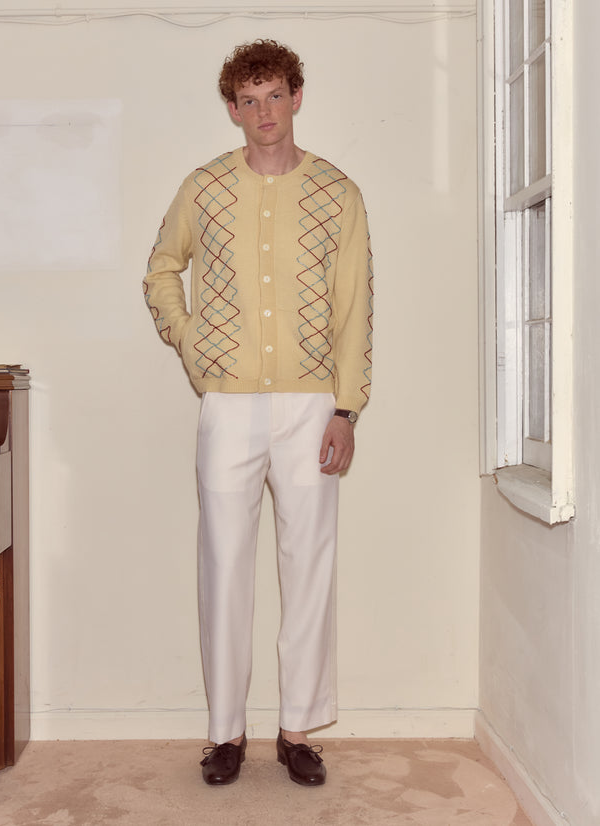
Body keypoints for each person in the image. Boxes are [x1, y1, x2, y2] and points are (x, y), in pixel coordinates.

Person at [143, 38, 373, 787]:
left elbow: (354, 307)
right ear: (232, 108)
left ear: (297, 97)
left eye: (275, 94)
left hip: (311, 403)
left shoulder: (339, 193)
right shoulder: (204, 188)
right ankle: (225, 735)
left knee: (309, 564)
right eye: (248, 99)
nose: (263, 111)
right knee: (223, 563)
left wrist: (346, 408)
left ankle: (298, 730)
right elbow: (161, 270)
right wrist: (190, 342)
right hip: (228, 405)